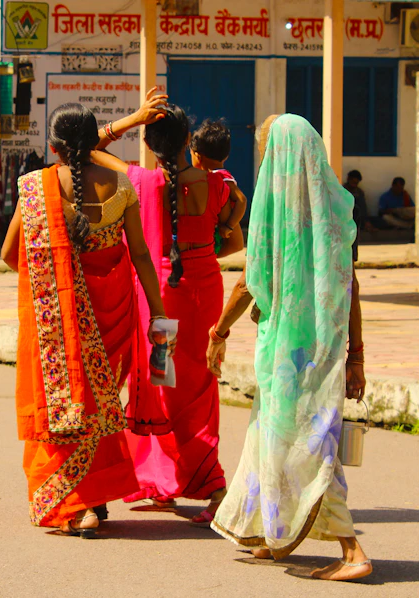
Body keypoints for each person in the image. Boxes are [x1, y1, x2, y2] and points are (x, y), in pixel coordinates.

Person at [207, 114, 372, 582]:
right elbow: (350, 285)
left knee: (307, 447)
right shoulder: (337, 212)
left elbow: (248, 284)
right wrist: (355, 355)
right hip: (320, 353)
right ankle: (266, 530)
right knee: (276, 436)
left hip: (286, 355)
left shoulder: (274, 216)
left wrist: (218, 332)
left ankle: (352, 550)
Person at [0, 103, 168, 538]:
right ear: (94, 140)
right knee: (101, 404)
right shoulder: (122, 186)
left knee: (67, 403)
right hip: (113, 309)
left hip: (61, 317)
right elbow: (142, 255)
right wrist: (160, 310)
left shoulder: (36, 187)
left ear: (53, 147)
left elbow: (7, 254)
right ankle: (97, 495)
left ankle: (80, 506)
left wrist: (50, 278)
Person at [98, 100, 245, 527]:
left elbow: (88, 146)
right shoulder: (219, 184)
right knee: (199, 386)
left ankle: (189, 481)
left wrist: (131, 119)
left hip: (162, 299)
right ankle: (192, 479)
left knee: (164, 384)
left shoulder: (140, 180)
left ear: (149, 143)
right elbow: (234, 241)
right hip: (205, 290)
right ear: (188, 142)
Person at [189, 119, 248, 243]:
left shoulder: (221, 177)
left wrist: (229, 226)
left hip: (220, 233)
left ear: (197, 155)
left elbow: (241, 200)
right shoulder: (214, 175)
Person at [344, 170, 372, 262]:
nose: (354, 185)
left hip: (357, 218)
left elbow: (363, 208)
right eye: (353, 182)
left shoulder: (359, 192)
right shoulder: (343, 190)